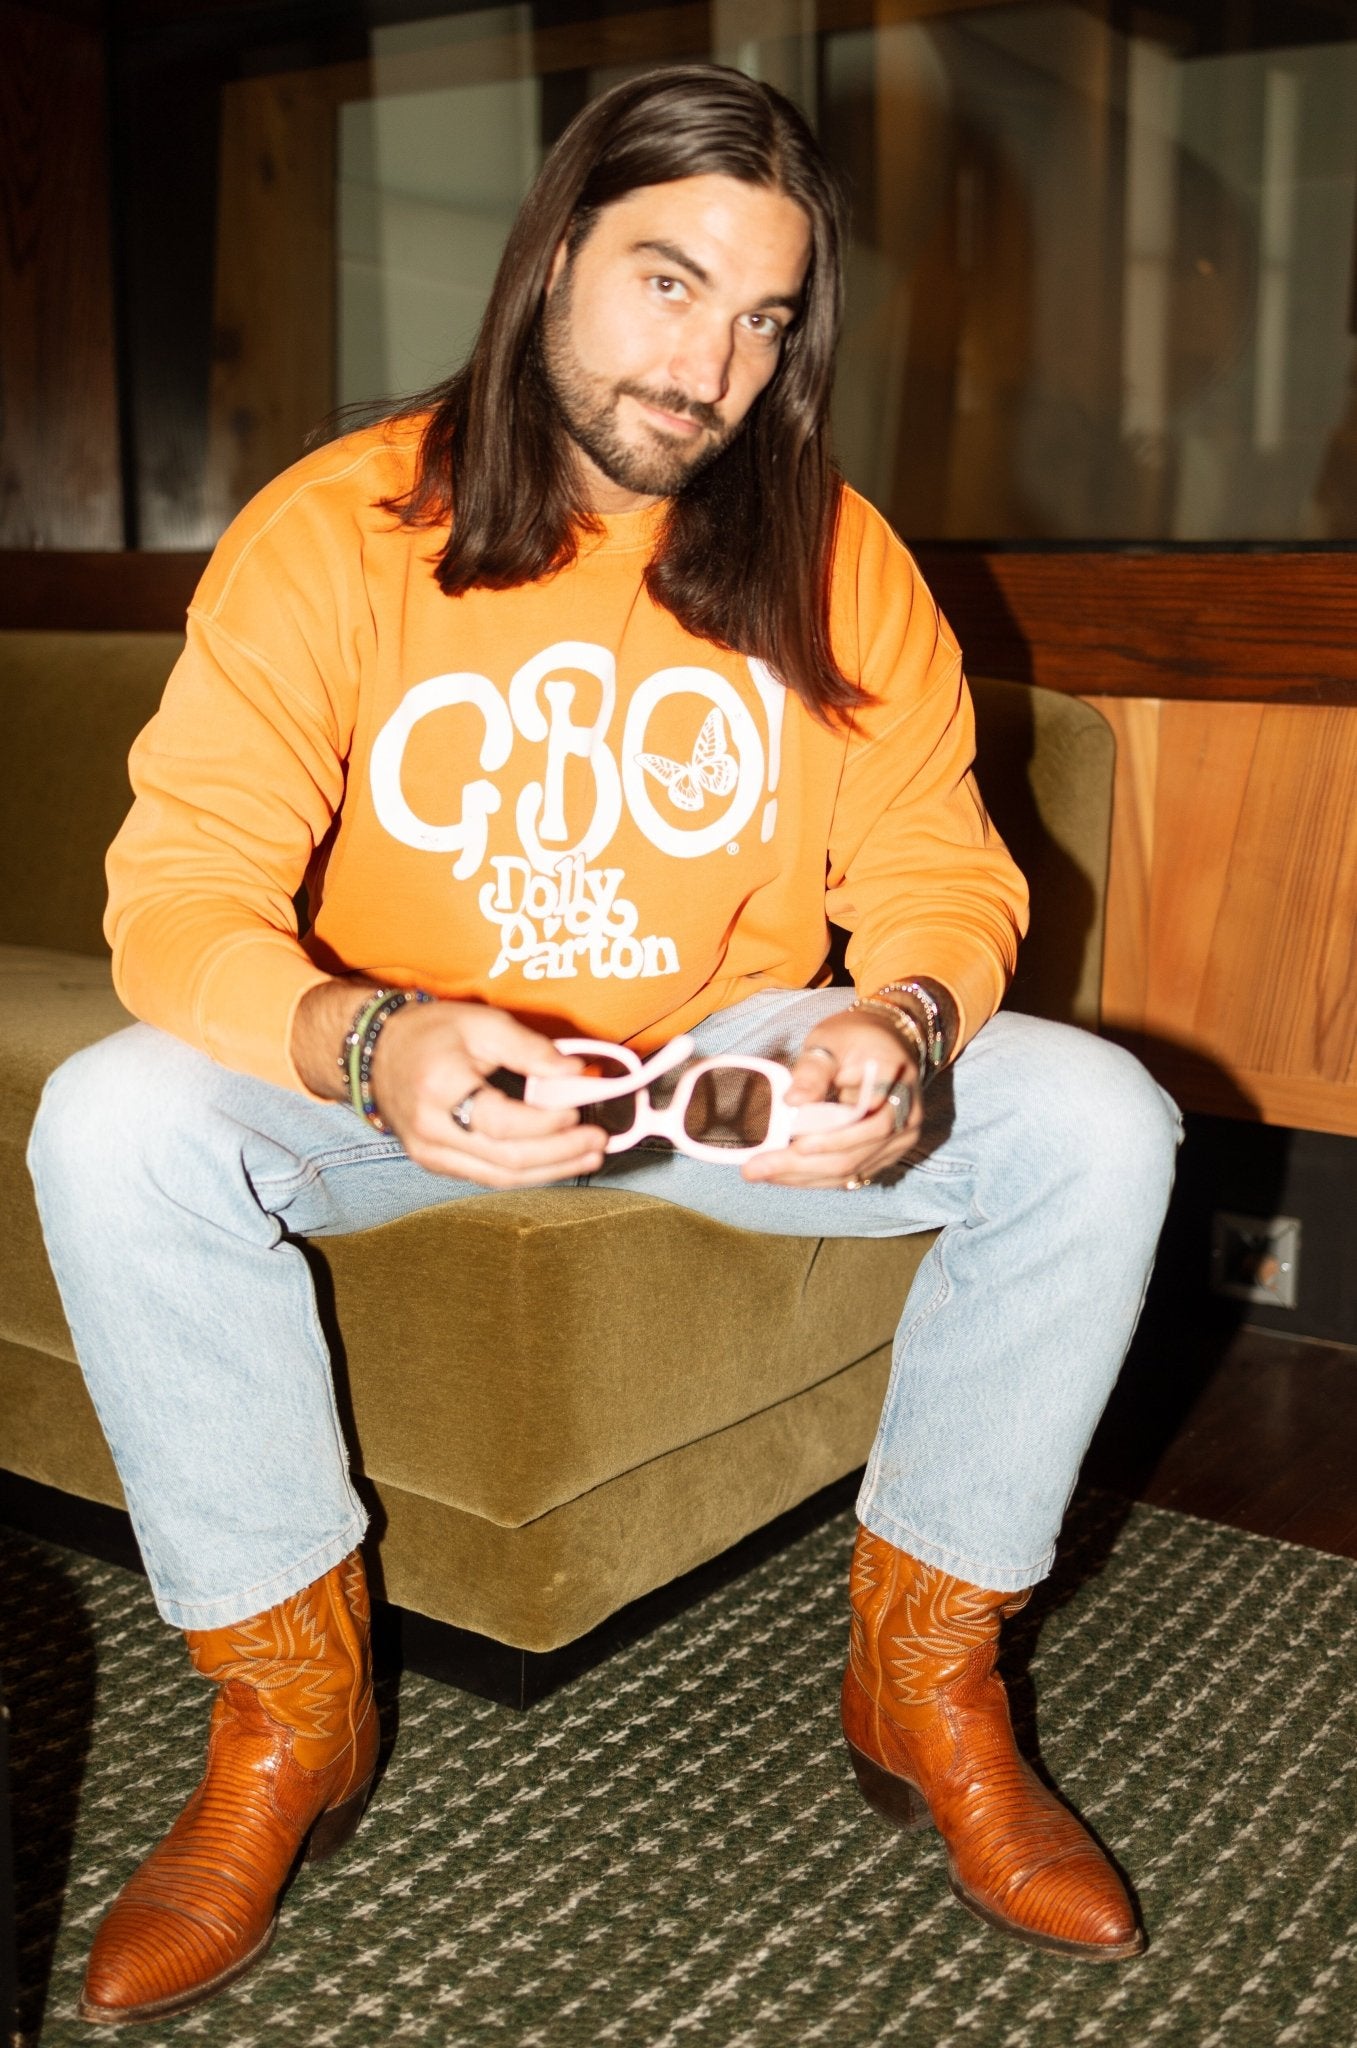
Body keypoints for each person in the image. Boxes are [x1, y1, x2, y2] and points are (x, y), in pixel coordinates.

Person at [28, 64, 1179, 2025]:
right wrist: (368, 1039)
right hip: (415, 1077)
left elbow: (935, 873)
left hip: (724, 1060)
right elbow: (178, 895)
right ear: (554, 255)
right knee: (109, 1115)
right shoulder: (336, 528)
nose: (710, 364)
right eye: (668, 281)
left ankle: (923, 1678)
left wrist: (899, 1022)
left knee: (1100, 1115)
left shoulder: (834, 554)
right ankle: (290, 1712)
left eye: (764, 318)